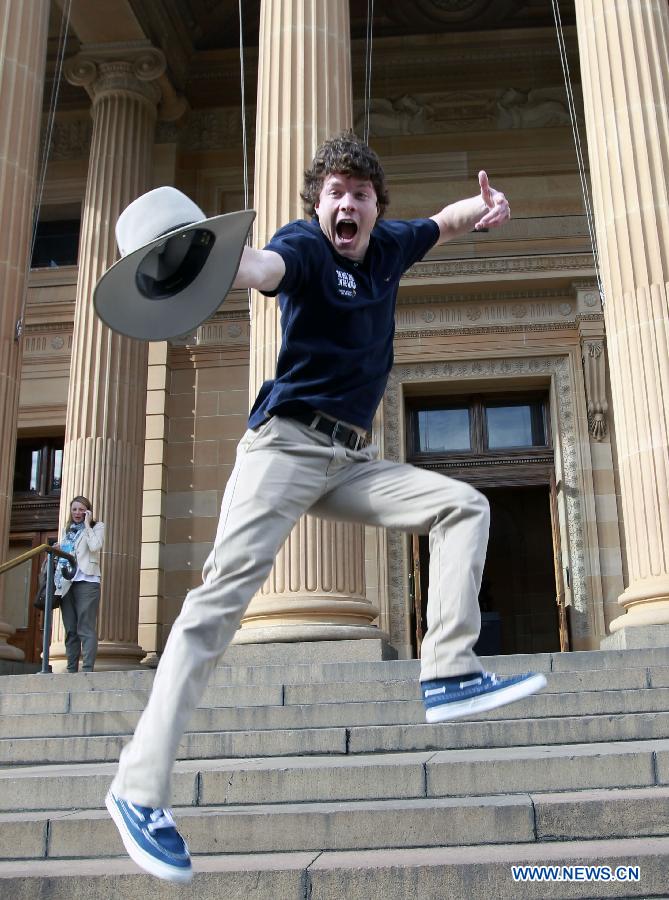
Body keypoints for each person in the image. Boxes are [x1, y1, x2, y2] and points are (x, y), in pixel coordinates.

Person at [105, 132, 547, 882]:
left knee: (463, 506)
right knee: (215, 608)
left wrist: (484, 206)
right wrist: (201, 254)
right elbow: (260, 268)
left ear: (375, 207)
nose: (347, 204)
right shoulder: (303, 249)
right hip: (283, 449)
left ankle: (445, 671)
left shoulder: (390, 246)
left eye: (359, 194)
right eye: (334, 194)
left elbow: (441, 222)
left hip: (349, 457)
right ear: (319, 206)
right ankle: (136, 789)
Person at [55, 495, 105, 673]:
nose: (77, 512)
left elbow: (95, 546)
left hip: (87, 581)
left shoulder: (96, 527)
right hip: (67, 582)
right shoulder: (67, 529)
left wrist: (87, 525)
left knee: (85, 627)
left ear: (88, 511)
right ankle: (71, 670)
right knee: (70, 629)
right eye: (74, 509)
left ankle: (87, 669)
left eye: (81, 509)